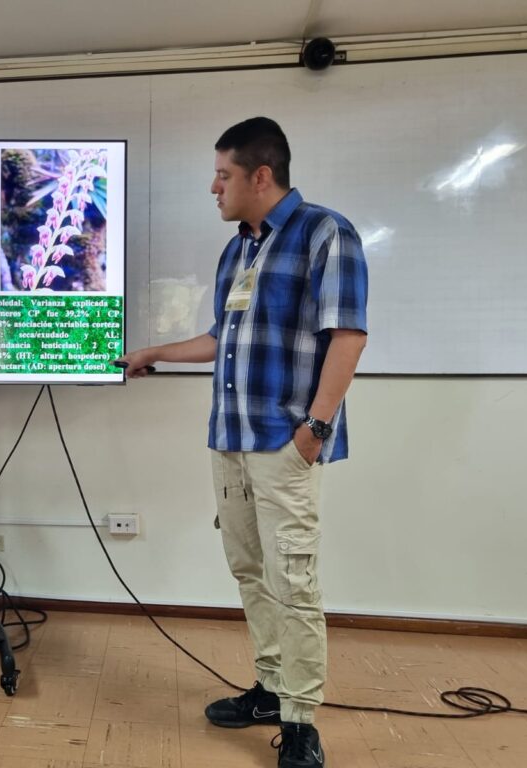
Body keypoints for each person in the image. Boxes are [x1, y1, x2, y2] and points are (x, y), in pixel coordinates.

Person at [119, 116, 367, 768]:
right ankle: (269, 686)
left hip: (283, 445)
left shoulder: (324, 232)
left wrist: (313, 432)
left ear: (262, 175)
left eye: (222, 175)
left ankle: (301, 721)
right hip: (227, 441)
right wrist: (154, 352)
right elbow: (219, 340)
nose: (213, 187)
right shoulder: (239, 250)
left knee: (295, 581)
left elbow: (349, 335)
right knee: (250, 569)